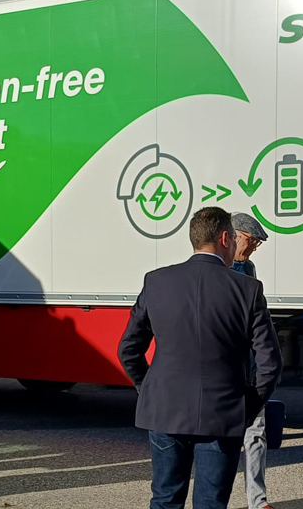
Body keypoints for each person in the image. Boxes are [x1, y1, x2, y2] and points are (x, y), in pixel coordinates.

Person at [118, 206, 282, 509]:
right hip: (223, 413)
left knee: (165, 499)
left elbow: (128, 349)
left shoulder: (156, 281)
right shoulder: (247, 289)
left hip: (165, 408)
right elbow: (270, 363)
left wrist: (148, 388)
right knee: (211, 503)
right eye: (234, 239)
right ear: (224, 238)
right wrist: (248, 406)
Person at [230, 211, 275, 509]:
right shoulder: (215, 268)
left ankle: (257, 502)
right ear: (231, 236)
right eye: (251, 241)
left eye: (257, 243)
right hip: (223, 367)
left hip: (249, 366)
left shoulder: (249, 269)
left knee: (256, 434)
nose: (253, 248)